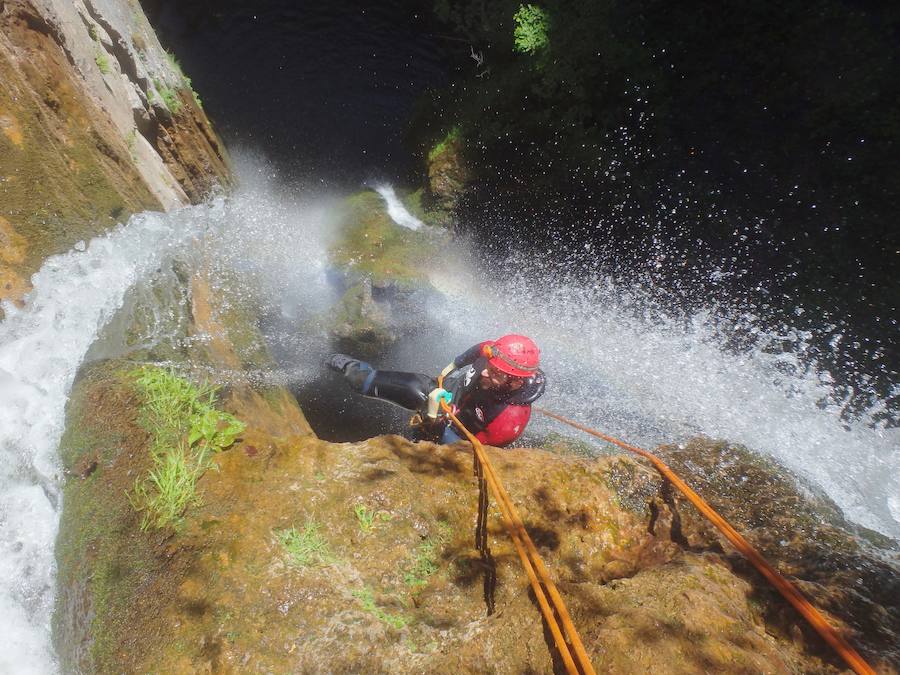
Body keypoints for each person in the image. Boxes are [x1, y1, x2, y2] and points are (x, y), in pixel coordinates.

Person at [326, 334, 545, 447]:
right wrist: (453, 366)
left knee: (419, 445)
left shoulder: (507, 422)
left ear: (515, 383)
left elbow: (468, 453)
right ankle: (348, 368)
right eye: (488, 366)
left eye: (496, 373)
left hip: (452, 430)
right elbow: (479, 349)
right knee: (402, 386)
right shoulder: (495, 352)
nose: (486, 373)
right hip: (446, 392)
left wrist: (435, 423)